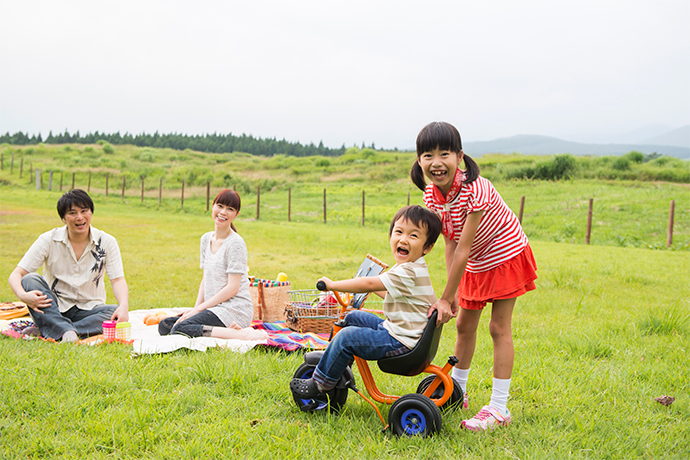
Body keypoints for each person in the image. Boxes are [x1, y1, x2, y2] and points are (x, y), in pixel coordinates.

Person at [411, 121, 538, 431]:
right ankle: (458, 391)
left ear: (460, 156)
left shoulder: (475, 189)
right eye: (428, 155)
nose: (437, 163)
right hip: (476, 261)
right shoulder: (432, 194)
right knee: (464, 325)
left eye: (445, 154)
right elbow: (450, 241)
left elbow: (464, 248)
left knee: (498, 328)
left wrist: (445, 297)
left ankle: (498, 408)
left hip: (505, 254)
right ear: (419, 161)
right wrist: (449, 295)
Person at [289, 205, 442, 397]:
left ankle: (320, 385)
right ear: (391, 235)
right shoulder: (412, 267)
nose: (403, 239)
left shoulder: (407, 271)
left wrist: (333, 285)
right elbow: (394, 296)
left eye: (413, 236)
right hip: (402, 332)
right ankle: (338, 362)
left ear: (427, 247)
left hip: (401, 341)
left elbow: (369, 283)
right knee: (353, 317)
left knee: (346, 337)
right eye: (399, 232)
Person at [8, 189, 130, 342]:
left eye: (84, 211)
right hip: (54, 307)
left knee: (113, 313)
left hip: (89, 308)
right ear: (63, 218)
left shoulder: (107, 241)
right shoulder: (48, 239)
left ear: (91, 213)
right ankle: (62, 328)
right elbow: (16, 274)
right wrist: (23, 296)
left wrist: (123, 305)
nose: (79, 217)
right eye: (72, 213)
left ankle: (55, 329)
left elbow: (117, 280)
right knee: (30, 279)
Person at [158, 189, 267, 341]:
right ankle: (226, 332)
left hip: (234, 309)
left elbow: (232, 288)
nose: (223, 212)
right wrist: (195, 310)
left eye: (230, 209)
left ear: (236, 215)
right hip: (214, 309)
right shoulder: (206, 239)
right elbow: (206, 278)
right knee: (165, 325)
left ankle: (240, 334)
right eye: (220, 206)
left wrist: (199, 309)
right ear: (212, 206)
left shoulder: (236, 243)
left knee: (180, 328)